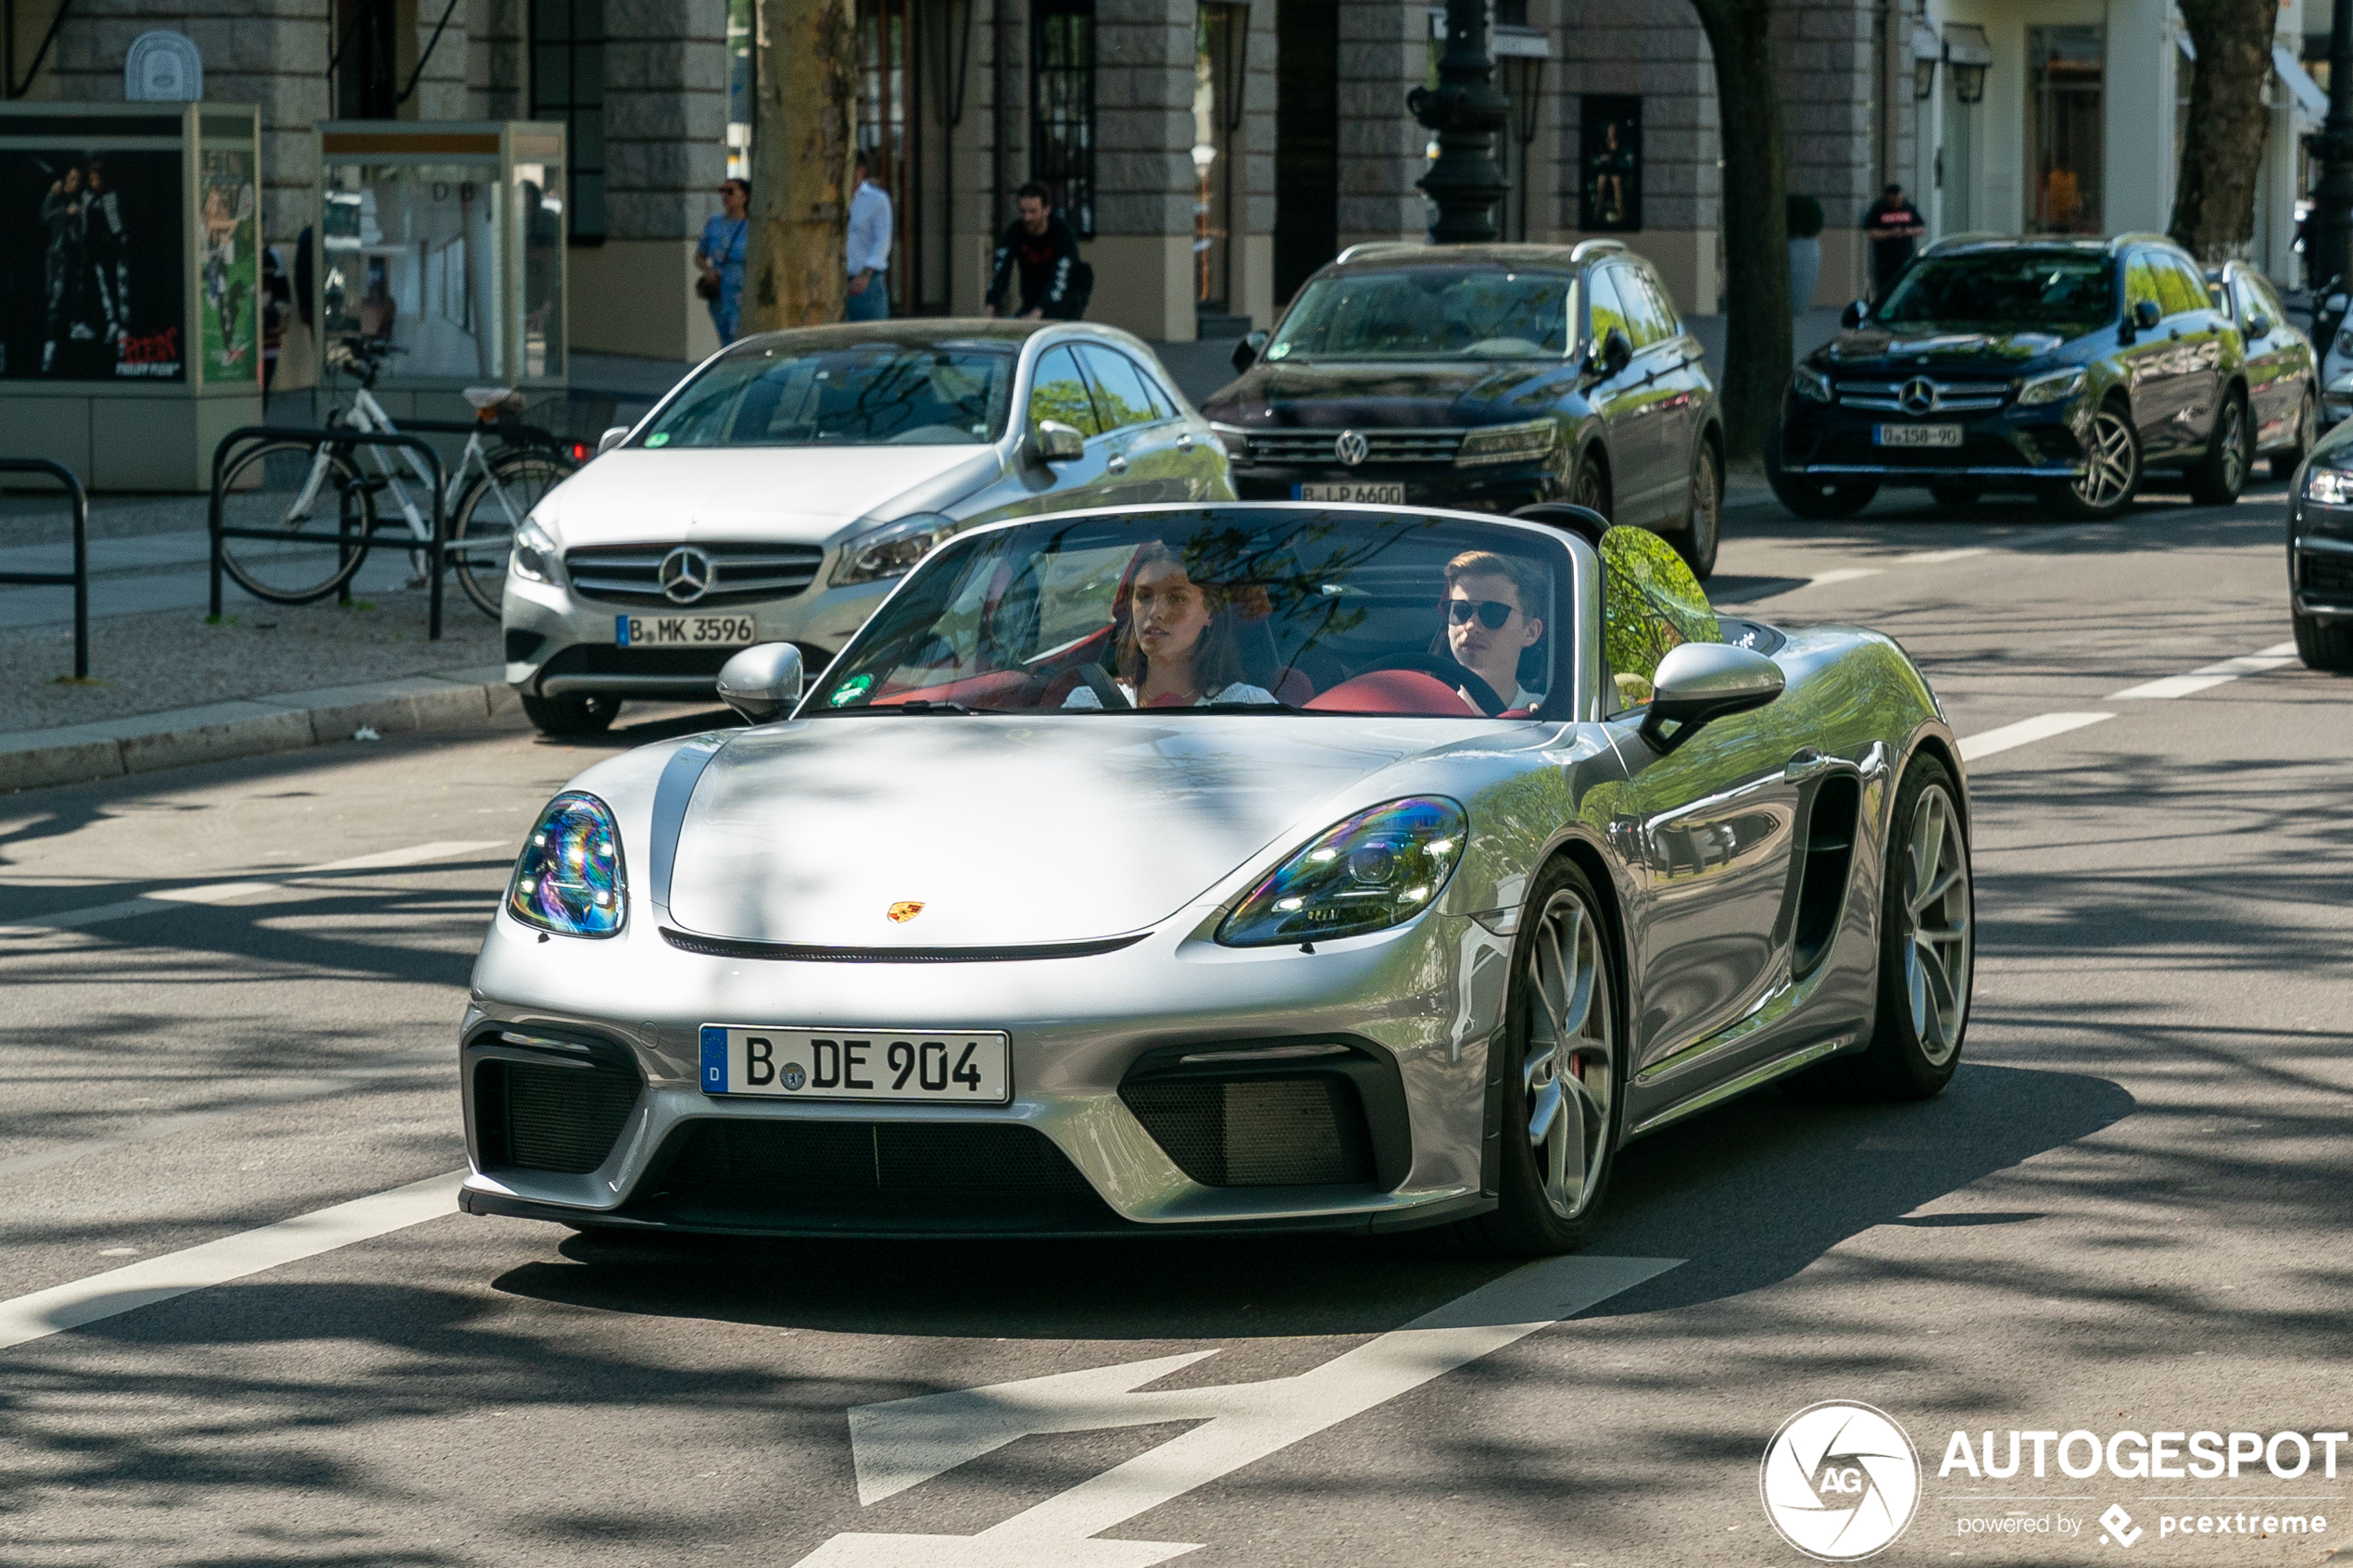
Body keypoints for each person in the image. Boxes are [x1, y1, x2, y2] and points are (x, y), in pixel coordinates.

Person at [1065, 544, 1277, 709]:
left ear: (1210, 612)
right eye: (1144, 597)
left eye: (1176, 598)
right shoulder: (1088, 703)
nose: (1155, 611)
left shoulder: (1251, 706)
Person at [1441, 549, 1547, 714]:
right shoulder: (1422, 717)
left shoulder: (1553, 718)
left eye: (1493, 613)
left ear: (1531, 632)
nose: (1471, 625)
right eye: (1461, 610)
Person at [986, 182, 1084, 320]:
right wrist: (991, 304)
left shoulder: (1062, 233)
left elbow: (1061, 276)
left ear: (1046, 209)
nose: (1027, 218)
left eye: (1033, 212)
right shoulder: (1015, 232)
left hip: (1064, 307)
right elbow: (1001, 271)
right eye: (1022, 211)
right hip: (1031, 301)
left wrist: (1040, 310)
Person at [697, 178, 750, 344]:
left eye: (731, 191)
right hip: (719, 291)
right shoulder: (714, 223)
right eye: (723, 191)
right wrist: (708, 270)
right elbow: (700, 255)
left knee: (740, 339)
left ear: (745, 197)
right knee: (725, 339)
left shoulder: (752, 226)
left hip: (742, 291)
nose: (725, 196)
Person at [845, 151, 892, 322]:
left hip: (867, 284)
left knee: (872, 343)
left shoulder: (877, 200)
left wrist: (865, 275)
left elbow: (882, 242)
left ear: (861, 171)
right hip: (835, 284)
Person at [1862, 182, 1926, 301]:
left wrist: (1908, 231)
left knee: (1903, 288)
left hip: (1905, 257)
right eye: (1894, 201)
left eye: (1899, 199)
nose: (1897, 203)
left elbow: (1921, 229)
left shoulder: (1909, 209)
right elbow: (1871, 232)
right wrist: (1890, 234)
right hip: (1884, 260)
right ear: (1888, 198)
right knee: (1885, 289)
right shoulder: (1879, 209)